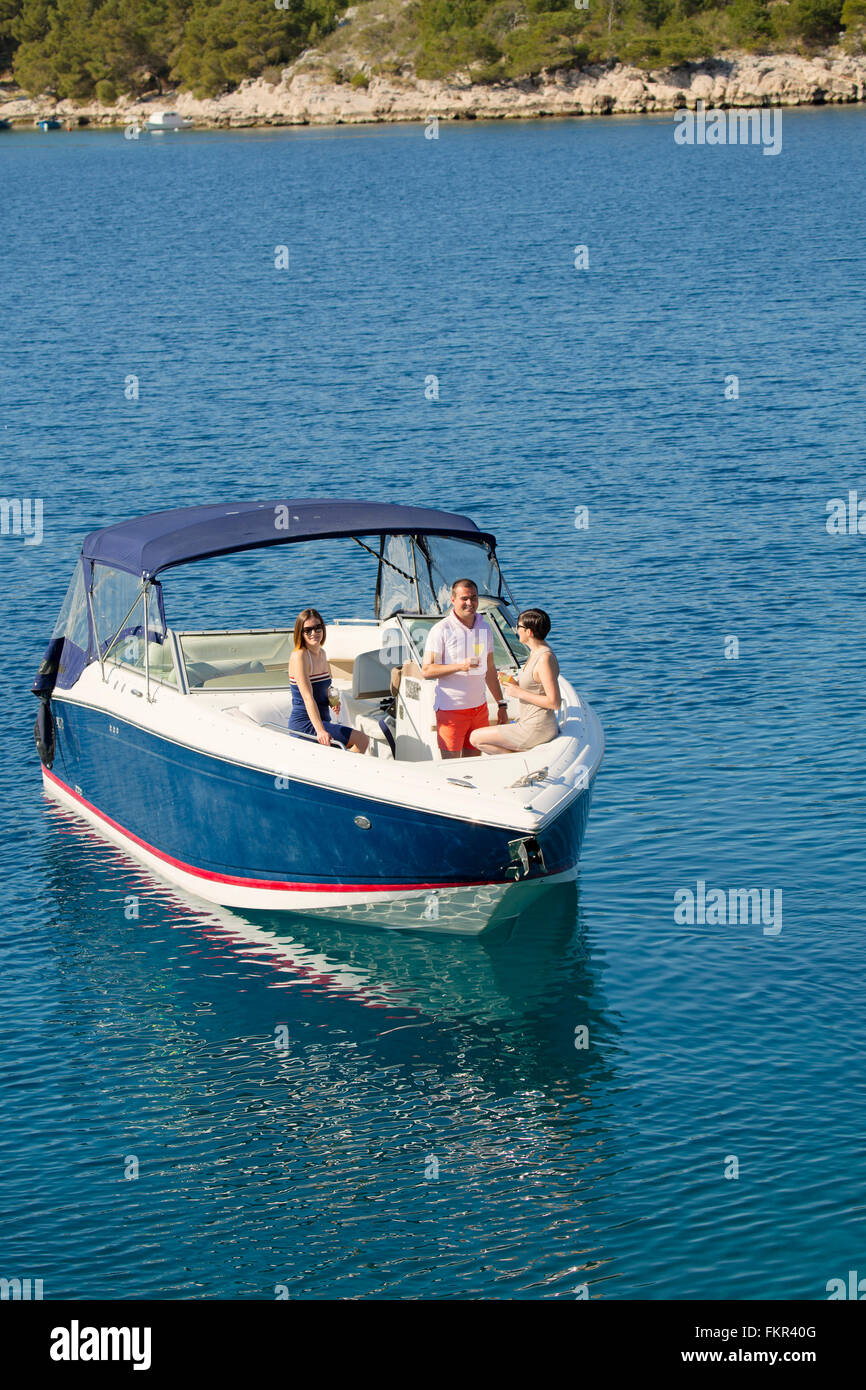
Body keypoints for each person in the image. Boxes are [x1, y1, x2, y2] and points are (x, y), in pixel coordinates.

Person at [421, 579, 509, 759]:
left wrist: (501, 704)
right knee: (451, 768)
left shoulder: (484, 628)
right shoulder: (441, 630)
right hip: (451, 710)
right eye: (464, 598)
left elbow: (490, 669)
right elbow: (427, 670)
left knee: (474, 765)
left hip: (479, 709)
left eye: (474, 598)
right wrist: (461, 666)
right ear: (453, 600)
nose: (470, 603)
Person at [469, 608, 560, 755]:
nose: (516, 629)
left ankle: (517, 759)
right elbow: (534, 686)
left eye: (519, 626)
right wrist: (512, 682)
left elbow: (554, 702)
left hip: (536, 728)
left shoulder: (544, 658)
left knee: (475, 738)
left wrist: (519, 692)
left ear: (529, 632)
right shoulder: (535, 653)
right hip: (528, 724)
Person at [288, 608, 369, 754]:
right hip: (306, 724)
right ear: (300, 632)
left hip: (323, 720)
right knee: (362, 740)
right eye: (308, 630)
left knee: (352, 745)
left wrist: (333, 701)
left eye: (318, 628)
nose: (314, 633)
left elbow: (326, 686)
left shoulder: (322, 653)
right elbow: (307, 697)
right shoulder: (299, 656)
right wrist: (320, 731)